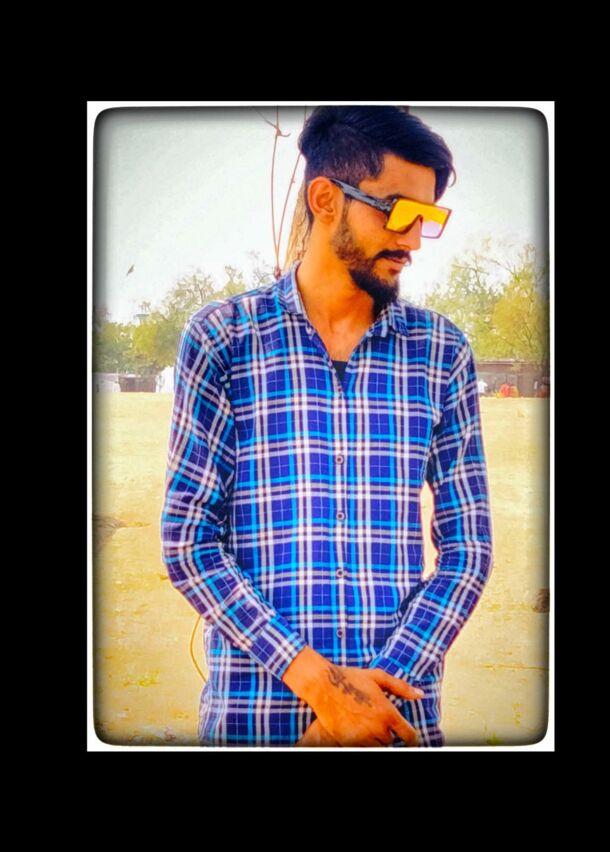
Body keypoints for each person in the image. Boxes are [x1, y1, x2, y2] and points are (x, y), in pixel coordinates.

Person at [160, 105, 493, 748]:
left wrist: (372, 698)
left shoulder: (441, 352)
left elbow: (468, 549)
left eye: (427, 219)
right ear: (325, 199)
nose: (413, 241)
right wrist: (322, 686)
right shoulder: (224, 339)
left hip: (396, 722)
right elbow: (189, 541)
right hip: (256, 719)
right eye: (398, 212)